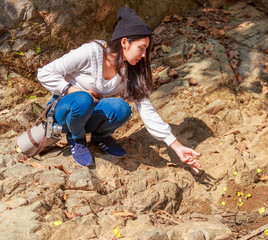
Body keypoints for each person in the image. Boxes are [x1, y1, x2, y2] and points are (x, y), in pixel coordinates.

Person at [37, 6, 201, 173]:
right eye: (141, 48)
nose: (144, 55)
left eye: (146, 50)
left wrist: (176, 146)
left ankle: (100, 137)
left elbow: (146, 109)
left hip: (88, 114)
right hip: (64, 111)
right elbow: (44, 73)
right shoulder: (92, 52)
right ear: (125, 42)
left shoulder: (131, 70)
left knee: (121, 108)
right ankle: (76, 138)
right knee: (82, 99)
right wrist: (74, 90)